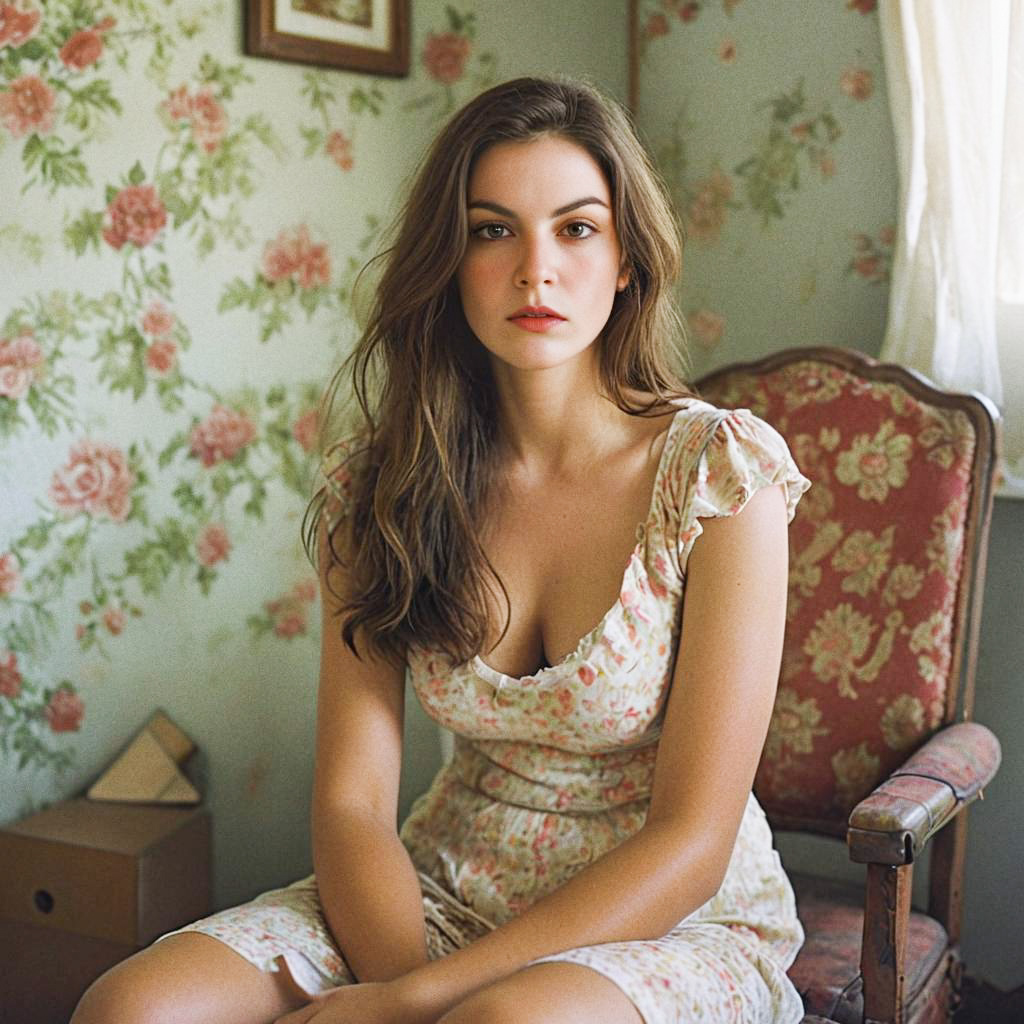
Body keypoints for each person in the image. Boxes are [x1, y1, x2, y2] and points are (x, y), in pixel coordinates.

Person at [73, 76, 810, 1024]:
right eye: (492, 230)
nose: (535, 270)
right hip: (437, 888)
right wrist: (399, 981)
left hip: (668, 921)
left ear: (628, 258)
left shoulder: (720, 475)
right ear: (449, 259)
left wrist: (409, 1006)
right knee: (128, 1008)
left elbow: (691, 840)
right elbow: (350, 803)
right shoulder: (382, 485)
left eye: (577, 228)